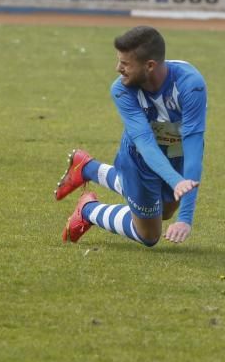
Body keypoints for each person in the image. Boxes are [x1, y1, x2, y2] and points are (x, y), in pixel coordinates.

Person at [54, 25, 206, 246]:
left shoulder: (191, 85)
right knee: (149, 235)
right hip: (139, 159)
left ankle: (88, 168)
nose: (118, 68)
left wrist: (185, 218)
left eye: (125, 64)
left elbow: (194, 147)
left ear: (150, 66)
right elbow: (145, 142)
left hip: (176, 151)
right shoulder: (121, 90)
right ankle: (88, 210)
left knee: (164, 211)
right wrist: (175, 180)